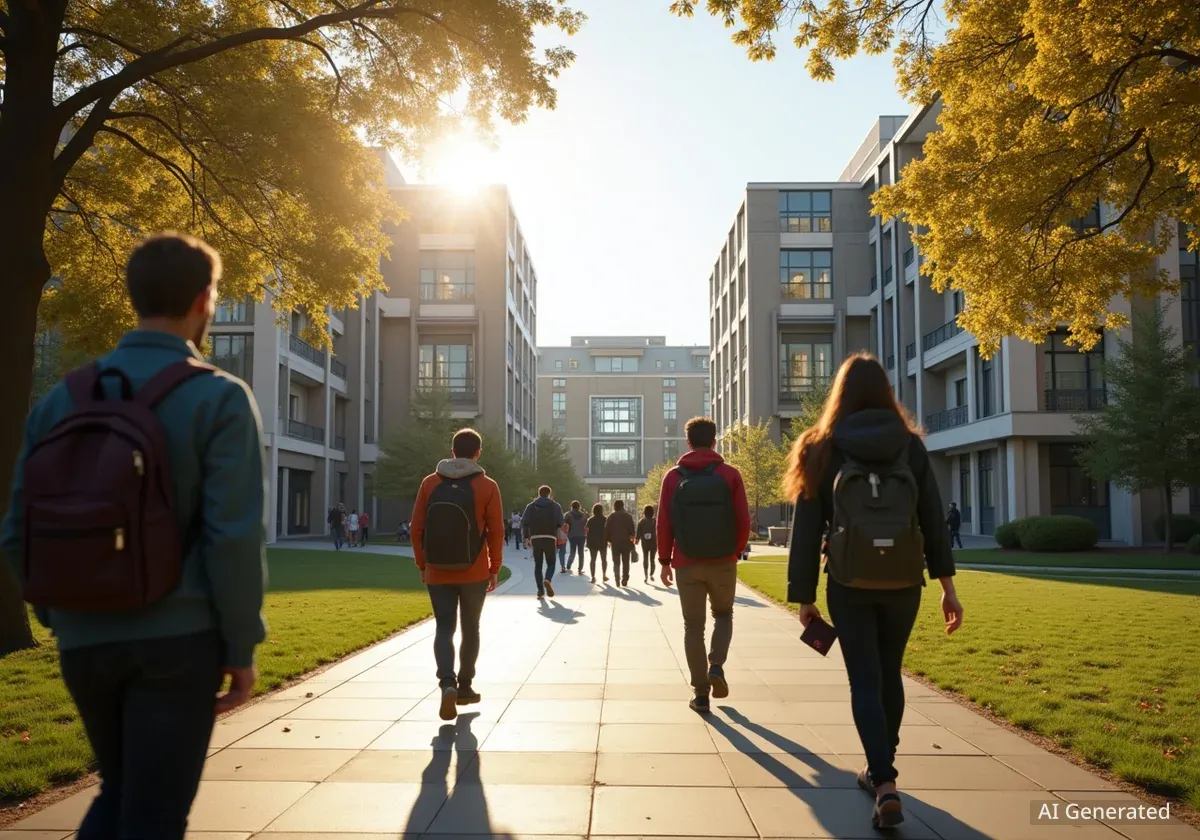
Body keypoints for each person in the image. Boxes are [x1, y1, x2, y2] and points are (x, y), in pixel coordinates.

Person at [1, 232, 266, 839]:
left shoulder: (60, 400)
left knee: (118, 793)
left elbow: (16, 529)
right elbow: (233, 537)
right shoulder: (219, 397)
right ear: (204, 300)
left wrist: (62, 613)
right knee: (153, 814)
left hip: (83, 639)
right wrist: (240, 645)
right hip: (179, 638)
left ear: (133, 295)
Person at [786, 352, 963, 830]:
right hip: (904, 580)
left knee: (864, 679)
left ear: (839, 394)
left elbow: (806, 529)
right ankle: (883, 767)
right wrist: (948, 588)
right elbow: (932, 519)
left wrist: (804, 596)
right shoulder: (909, 446)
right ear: (885, 391)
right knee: (890, 672)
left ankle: (883, 780)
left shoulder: (821, 446)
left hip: (848, 581)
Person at [411, 428, 505, 721]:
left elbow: (416, 528)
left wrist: (423, 565)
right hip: (474, 570)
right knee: (471, 628)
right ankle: (465, 686)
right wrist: (494, 568)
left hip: (438, 571)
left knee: (444, 628)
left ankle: (447, 683)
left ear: (452, 451)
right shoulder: (488, 486)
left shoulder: (430, 482)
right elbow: (496, 531)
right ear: (478, 453)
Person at [658, 418, 750, 713]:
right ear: (714, 441)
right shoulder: (730, 474)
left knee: (693, 626)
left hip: (687, 561)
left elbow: (664, 522)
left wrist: (664, 560)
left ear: (688, 443)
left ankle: (700, 694)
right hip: (723, 560)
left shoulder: (673, 477)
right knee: (723, 614)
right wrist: (735, 551)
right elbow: (743, 519)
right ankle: (717, 665)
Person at [522, 485, 565, 599]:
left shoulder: (531, 506)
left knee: (538, 565)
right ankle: (547, 579)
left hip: (535, 537)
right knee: (551, 562)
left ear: (539, 493)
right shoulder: (555, 506)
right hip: (550, 537)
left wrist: (526, 537)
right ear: (549, 494)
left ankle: (540, 590)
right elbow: (561, 522)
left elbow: (524, 522)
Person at [605, 499, 636, 587]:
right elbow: (632, 530)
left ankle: (617, 579)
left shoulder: (611, 516)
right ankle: (625, 579)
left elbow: (607, 529)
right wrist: (632, 538)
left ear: (614, 506)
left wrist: (608, 540)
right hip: (626, 542)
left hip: (615, 542)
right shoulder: (628, 516)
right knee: (626, 562)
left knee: (616, 562)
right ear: (623, 506)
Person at [585, 502, 608, 584]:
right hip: (603, 541)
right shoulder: (605, 519)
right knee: (604, 559)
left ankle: (593, 577)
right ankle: (604, 575)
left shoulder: (590, 520)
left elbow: (587, 531)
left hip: (592, 542)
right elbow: (608, 530)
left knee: (593, 560)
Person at [564, 500, 588, 574]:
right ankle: (580, 569)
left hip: (572, 535)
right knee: (581, 553)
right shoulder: (583, 515)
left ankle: (568, 566)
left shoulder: (568, 515)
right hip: (581, 536)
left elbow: (564, 524)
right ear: (579, 507)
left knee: (572, 552)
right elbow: (586, 525)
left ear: (571, 506)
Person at [637, 505, 658, 583]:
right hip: (654, 543)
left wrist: (637, 539)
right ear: (652, 513)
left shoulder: (641, 522)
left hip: (645, 543)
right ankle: (651, 574)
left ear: (644, 512)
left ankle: (646, 576)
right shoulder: (655, 521)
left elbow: (638, 532)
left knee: (645, 558)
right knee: (652, 559)